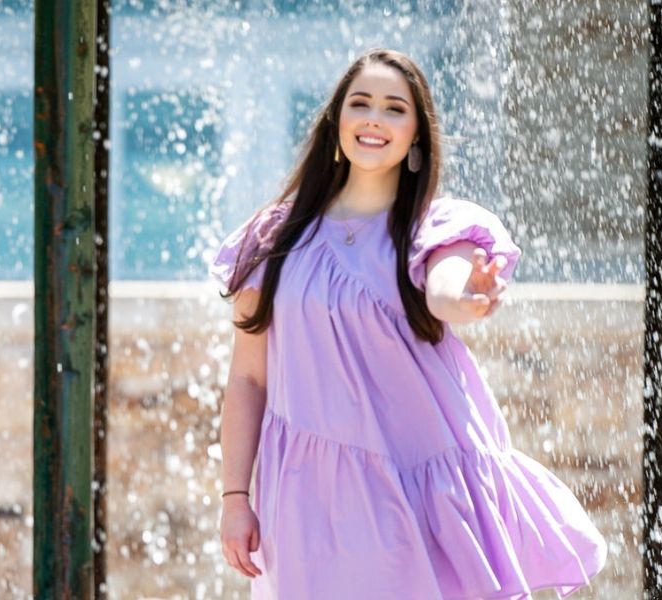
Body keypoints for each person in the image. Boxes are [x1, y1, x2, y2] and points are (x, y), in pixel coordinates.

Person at [210, 48, 608, 599]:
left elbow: (444, 289)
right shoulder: (271, 239)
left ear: (416, 134)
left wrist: (467, 297)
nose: (375, 118)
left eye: (395, 108)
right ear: (336, 121)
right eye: (361, 103)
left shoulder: (436, 227)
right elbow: (248, 380)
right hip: (305, 496)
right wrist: (235, 498)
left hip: (412, 486)